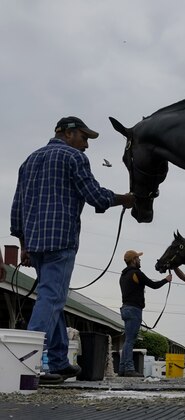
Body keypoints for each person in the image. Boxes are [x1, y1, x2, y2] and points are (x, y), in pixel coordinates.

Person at [10, 116, 135, 384]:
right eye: (84, 137)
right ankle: (28, 365)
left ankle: (58, 361)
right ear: (68, 134)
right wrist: (125, 199)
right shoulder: (73, 158)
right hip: (61, 239)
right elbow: (95, 195)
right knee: (51, 298)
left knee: (51, 296)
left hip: (34, 241)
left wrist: (23, 246)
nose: (87, 145)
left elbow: (17, 206)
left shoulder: (28, 160)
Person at [119, 250, 172, 377]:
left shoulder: (123, 275)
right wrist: (166, 280)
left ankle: (122, 369)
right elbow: (153, 285)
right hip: (134, 310)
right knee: (130, 341)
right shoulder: (136, 273)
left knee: (127, 340)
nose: (140, 260)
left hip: (125, 308)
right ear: (133, 260)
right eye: (138, 258)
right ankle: (129, 369)